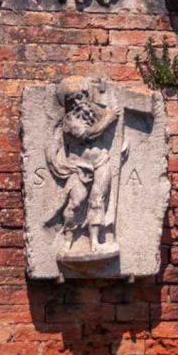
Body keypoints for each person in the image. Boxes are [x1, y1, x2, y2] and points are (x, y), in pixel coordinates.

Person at [46, 77, 119, 256]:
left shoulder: (96, 111)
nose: (78, 103)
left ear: (86, 96)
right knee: (75, 202)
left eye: (80, 97)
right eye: (72, 101)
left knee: (97, 200)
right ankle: (68, 240)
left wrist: (109, 115)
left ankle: (95, 242)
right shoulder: (69, 121)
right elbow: (88, 135)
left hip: (101, 161)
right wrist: (109, 119)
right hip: (79, 166)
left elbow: (109, 115)